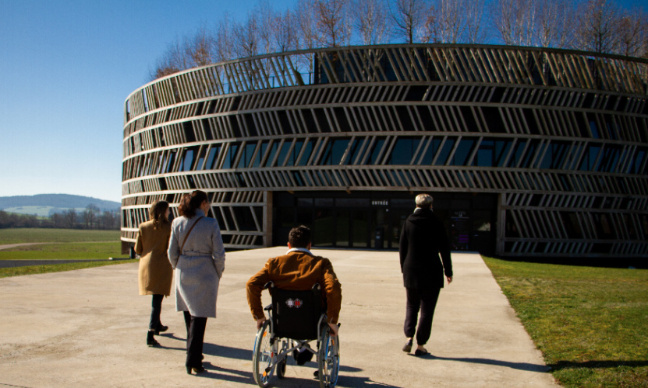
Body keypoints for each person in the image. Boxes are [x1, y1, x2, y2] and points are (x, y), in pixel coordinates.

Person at [167, 190, 226, 375]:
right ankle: (193, 361)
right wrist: (217, 272)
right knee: (199, 319)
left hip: (183, 271)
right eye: (207, 202)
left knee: (189, 316)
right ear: (203, 203)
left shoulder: (177, 222)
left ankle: (194, 355)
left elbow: (171, 252)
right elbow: (219, 253)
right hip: (205, 272)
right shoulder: (210, 223)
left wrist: (180, 266)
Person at [246, 225, 342, 336]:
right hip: (313, 322)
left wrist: (259, 316)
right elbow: (333, 288)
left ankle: (300, 349)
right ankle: (302, 349)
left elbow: (251, 284)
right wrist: (332, 320)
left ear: (289, 245)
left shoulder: (274, 263)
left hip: (282, 320)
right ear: (309, 245)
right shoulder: (321, 264)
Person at [399, 194, 453, 356]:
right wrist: (448, 271)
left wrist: (404, 269)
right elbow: (444, 249)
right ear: (431, 206)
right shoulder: (437, 222)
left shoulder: (408, 222)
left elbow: (403, 248)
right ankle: (420, 345)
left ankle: (409, 337)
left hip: (411, 270)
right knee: (427, 310)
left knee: (411, 306)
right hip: (432, 271)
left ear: (416, 204)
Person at [135, 200, 173, 347]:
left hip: (146, 266)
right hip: (162, 265)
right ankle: (150, 332)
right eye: (168, 210)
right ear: (164, 211)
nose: (169, 213)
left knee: (157, 298)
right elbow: (170, 247)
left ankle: (157, 325)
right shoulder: (169, 227)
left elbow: (138, 249)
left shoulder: (143, 227)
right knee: (156, 301)